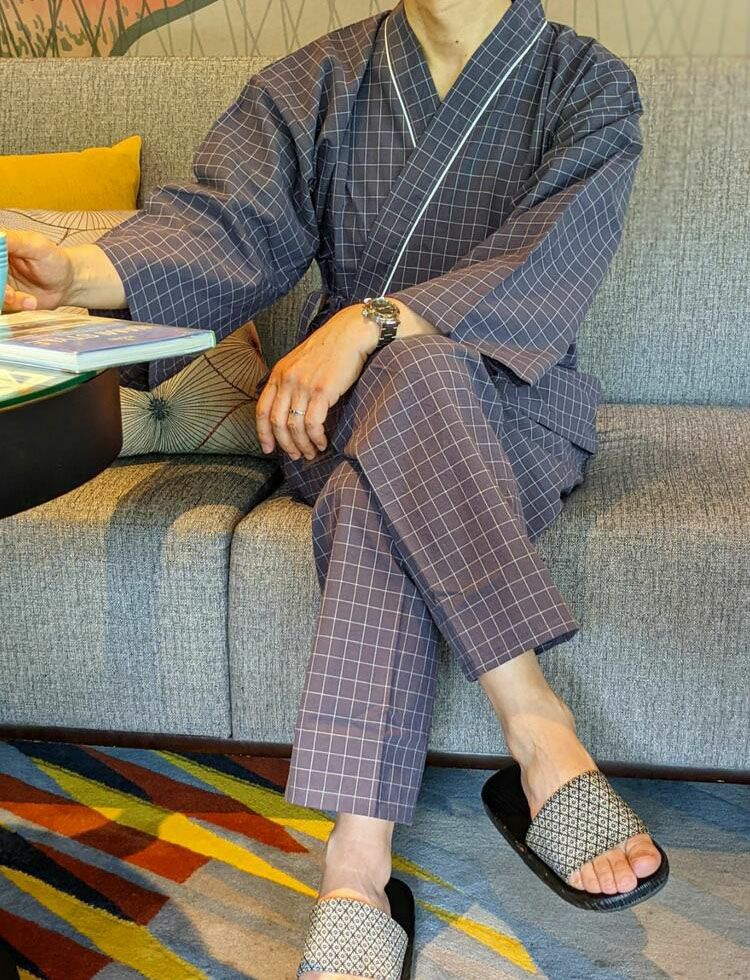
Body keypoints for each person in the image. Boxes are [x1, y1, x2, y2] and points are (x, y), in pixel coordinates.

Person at [3, 1, 668, 975]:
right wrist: (80, 272)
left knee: (381, 464)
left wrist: (369, 323)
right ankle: (535, 720)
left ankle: (356, 866)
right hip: (335, 410)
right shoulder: (317, 80)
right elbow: (225, 223)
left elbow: (548, 259)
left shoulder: (588, 85)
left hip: (513, 409)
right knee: (401, 401)